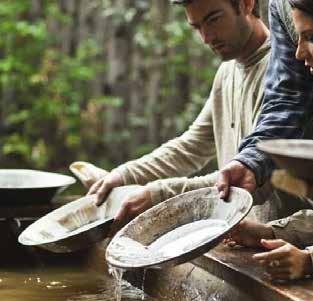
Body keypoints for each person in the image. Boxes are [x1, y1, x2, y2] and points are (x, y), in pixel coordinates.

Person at [82, 0, 287, 223]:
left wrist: (159, 194)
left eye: (213, 20)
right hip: (240, 236)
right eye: (197, 27)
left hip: (285, 242)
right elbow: (192, 146)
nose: (206, 38)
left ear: (246, 4)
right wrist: (124, 175)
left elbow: (250, 177)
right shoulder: (227, 70)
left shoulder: (283, 72)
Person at [225, 0, 313, 280]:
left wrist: (312, 261)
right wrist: (270, 232)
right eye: (297, 38)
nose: (298, 54)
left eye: (311, 38)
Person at [216, 0, 313, 200]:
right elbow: (289, 97)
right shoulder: (280, 5)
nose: (299, 53)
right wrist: (250, 161)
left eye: (310, 37)